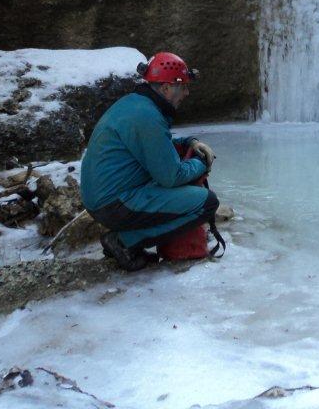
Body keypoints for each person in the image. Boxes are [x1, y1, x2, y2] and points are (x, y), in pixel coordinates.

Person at [80, 51, 219, 271]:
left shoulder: (136, 105)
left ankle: (127, 238)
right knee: (207, 203)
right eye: (183, 87)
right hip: (115, 204)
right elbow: (171, 177)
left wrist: (189, 142)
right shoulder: (148, 117)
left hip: (102, 198)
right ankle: (124, 241)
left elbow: (154, 144)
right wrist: (202, 163)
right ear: (166, 88)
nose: (187, 93)